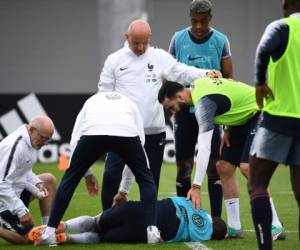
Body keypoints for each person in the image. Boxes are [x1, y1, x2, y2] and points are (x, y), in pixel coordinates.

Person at [98, 19, 221, 210]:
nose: (140, 47)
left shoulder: (159, 57)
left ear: (150, 38)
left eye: (143, 42)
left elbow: (182, 72)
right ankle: (105, 221)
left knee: (151, 180)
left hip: (154, 132)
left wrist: (206, 74)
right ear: (127, 37)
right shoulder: (114, 60)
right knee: (111, 176)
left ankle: (150, 225)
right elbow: (103, 94)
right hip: (122, 131)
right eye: (135, 42)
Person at [158, 78, 283, 239]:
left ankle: (275, 225)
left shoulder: (203, 104)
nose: (172, 112)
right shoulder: (197, 86)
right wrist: (228, 128)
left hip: (262, 111)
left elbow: (204, 148)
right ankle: (234, 227)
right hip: (242, 120)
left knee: (247, 167)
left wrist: (196, 186)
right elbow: (230, 92)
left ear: (180, 98)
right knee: (224, 166)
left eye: (171, 107)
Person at [35, 92, 164, 246]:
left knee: (69, 180)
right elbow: (140, 141)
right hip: (126, 133)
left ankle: (49, 233)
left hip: (92, 133)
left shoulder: (91, 100)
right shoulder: (130, 102)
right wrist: (125, 189)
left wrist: (87, 174)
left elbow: (75, 139)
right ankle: (152, 231)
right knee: (146, 179)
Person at [168, 0, 233, 218]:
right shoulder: (178, 39)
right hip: (184, 115)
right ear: (190, 18)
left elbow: (229, 79)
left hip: (212, 113)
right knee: (184, 167)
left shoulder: (221, 40)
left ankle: (215, 220)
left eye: (202, 22)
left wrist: (227, 119)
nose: (197, 26)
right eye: (194, 21)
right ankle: (184, 218)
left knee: (213, 166)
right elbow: (170, 73)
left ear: (210, 19)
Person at [248, 0, 300, 249]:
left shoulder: (281, 27)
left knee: (257, 183)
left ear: (286, 5)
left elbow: (263, 50)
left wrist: (259, 81)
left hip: (278, 119)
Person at [28, 196, 227, 245]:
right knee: (101, 237)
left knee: (96, 221)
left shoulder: (193, 203)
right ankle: (68, 239)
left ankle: (64, 225)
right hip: (145, 232)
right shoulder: (204, 235)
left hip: (140, 210)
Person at [0, 116, 56, 244]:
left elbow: (23, 171)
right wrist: (21, 211)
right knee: (29, 238)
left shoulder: (30, 141)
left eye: (48, 139)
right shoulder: (14, 146)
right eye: (43, 137)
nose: (45, 143)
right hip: (3, 199)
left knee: (48, 180)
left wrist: (37, 183)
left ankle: (48, 231)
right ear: (31, 129)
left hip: (15, 192)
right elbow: (1, 184)